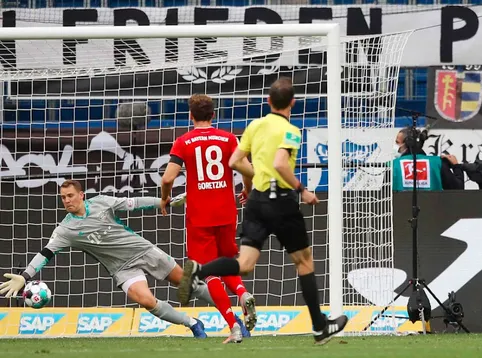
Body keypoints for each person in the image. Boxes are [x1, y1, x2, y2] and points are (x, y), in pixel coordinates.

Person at [177, 77, 348, 345]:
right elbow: (281, 164)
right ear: (292, 102)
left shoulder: (255, 126)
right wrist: (302, 189)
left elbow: (235, 161)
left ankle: (199, 271)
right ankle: (319, 327)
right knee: (303, 262)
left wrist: (257, 178)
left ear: (268, 101)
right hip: (281, 201)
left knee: (244, 264)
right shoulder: (291, 130)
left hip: (256, 202)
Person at [0, 180, 216, 339]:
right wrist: (24, 276)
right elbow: (45, 254)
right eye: (63, 198)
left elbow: (133, 203)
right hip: (121, 268)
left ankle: (230, 316)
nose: (67, 201)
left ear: (81, 195)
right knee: (146, 301)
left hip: (142, 250)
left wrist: (164, 203)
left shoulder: (102, 202)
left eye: (70, 196)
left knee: (189, 284)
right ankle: (192, 323)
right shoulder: (65, 230)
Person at [160, 94, 256, 344]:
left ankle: (233, 327)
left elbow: (168, 178)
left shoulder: (184, 142)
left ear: (191, 116)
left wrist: (165, 198)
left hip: (200, 216)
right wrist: (247, 190)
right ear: (213, 115)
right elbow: (247, 168)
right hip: (226, 212)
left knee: (208, 272)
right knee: (226, 262)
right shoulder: (228, 138)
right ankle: (243, 293)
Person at [392, 127, 464, 191]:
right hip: (433, 205)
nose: (395, 145)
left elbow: (385, 196)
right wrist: (456, 166)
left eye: (397, 142)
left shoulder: (394, 165)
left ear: (408, 143)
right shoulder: (437, 163)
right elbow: (458, 189)